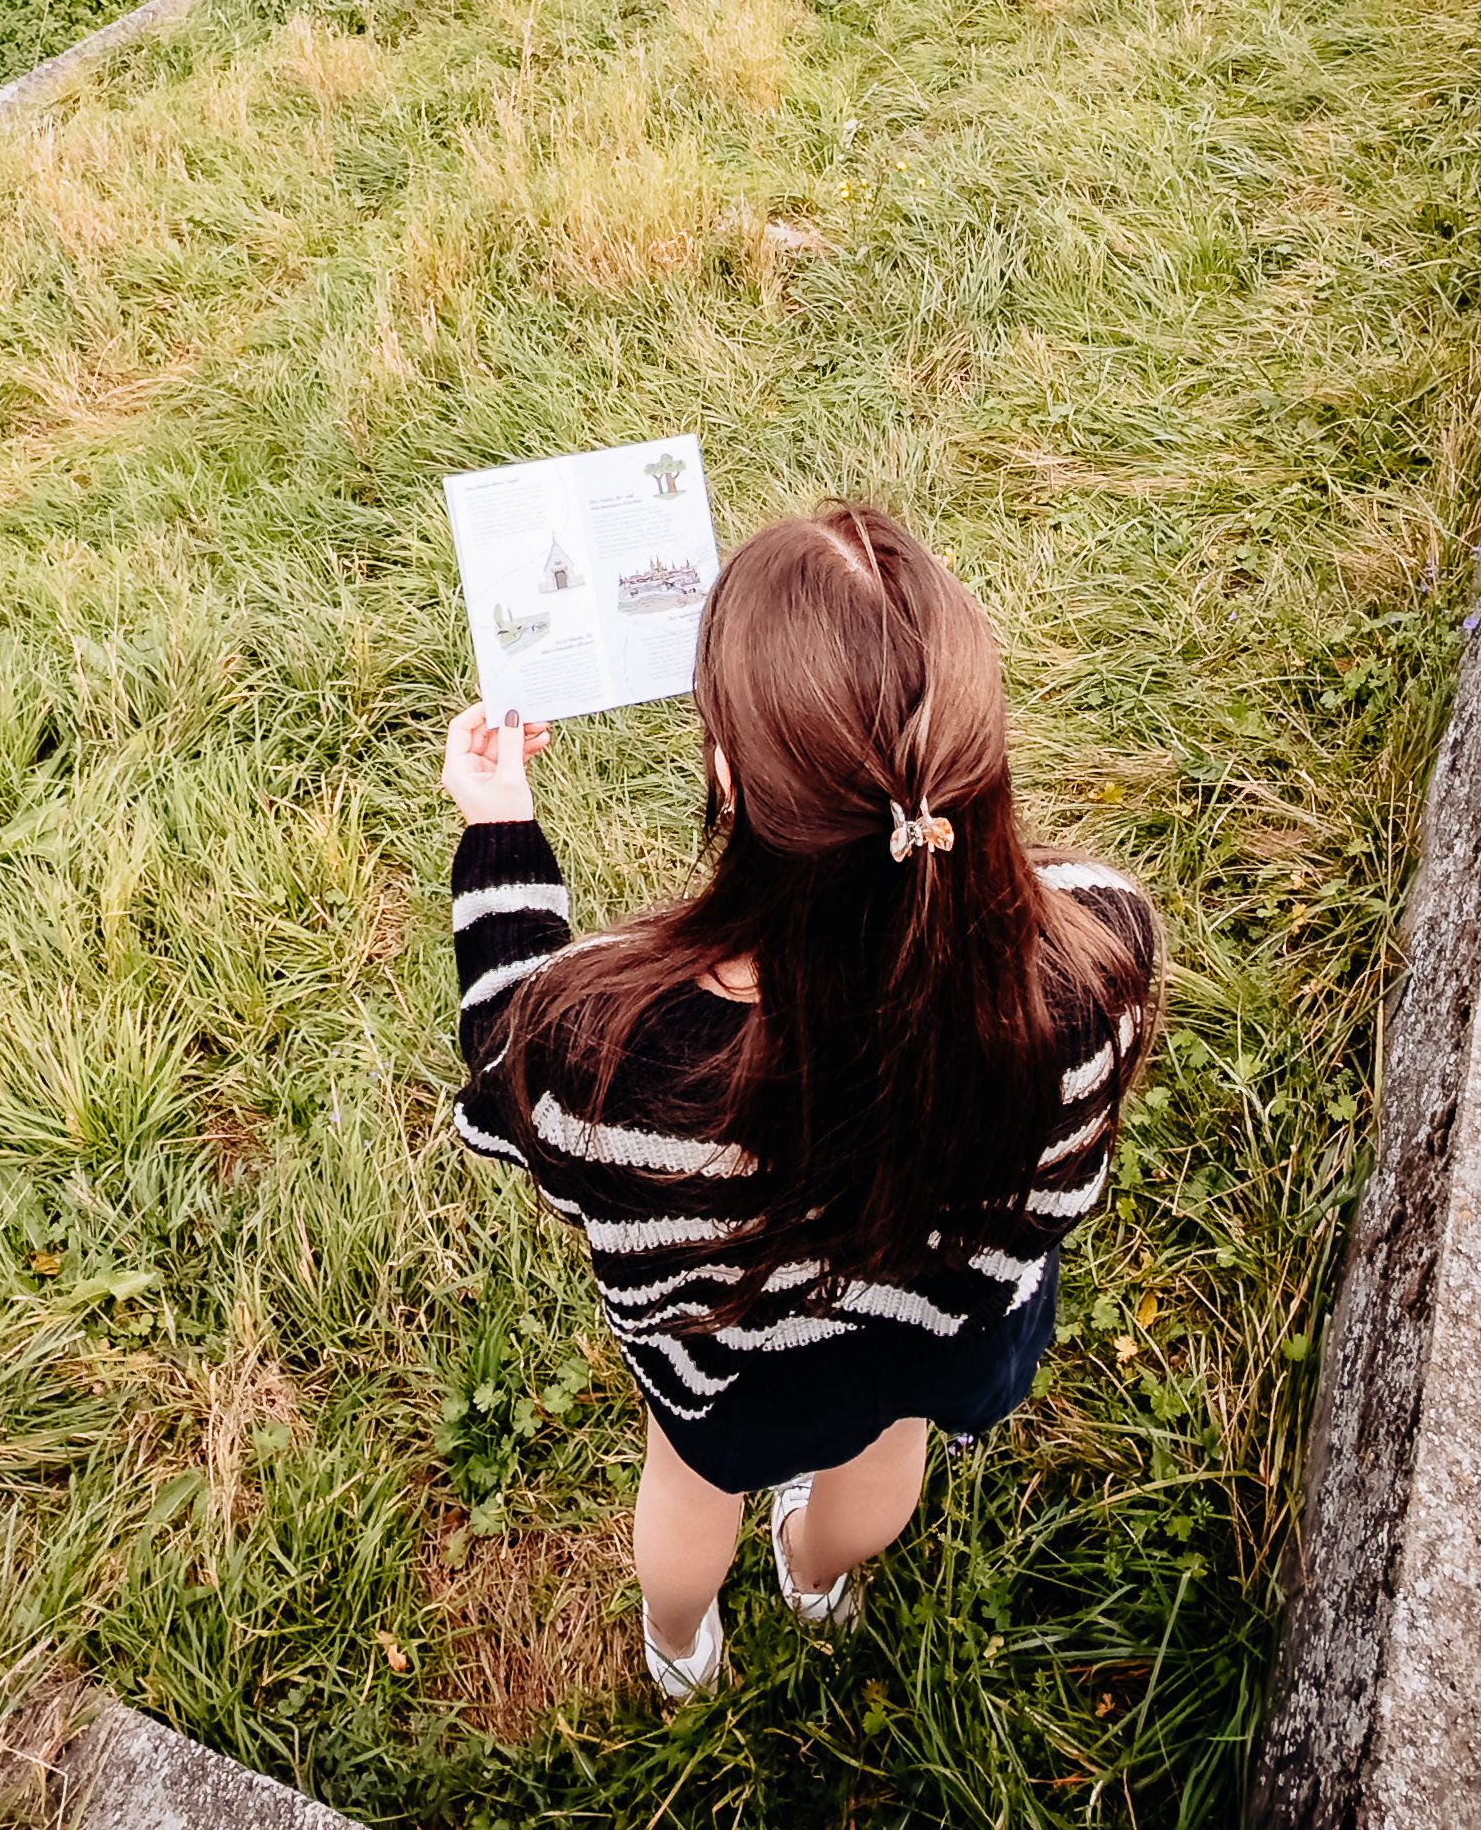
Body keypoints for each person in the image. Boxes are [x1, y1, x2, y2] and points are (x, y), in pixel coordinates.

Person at [437, 500, 1160, 1701]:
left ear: (729, 774)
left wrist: (501, 824)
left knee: (689, 1485)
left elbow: (509, 1049)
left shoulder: (607, 1049)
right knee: (886, 1446)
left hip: (731, 1370)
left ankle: (680, 1645)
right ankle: (818, 1580)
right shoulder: (1097, 956)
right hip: (940, 1333)